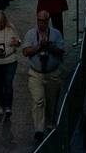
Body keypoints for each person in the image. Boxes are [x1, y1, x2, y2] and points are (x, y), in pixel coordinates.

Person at [22, 10, 65, 142]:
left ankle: (50, 123)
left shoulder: (56, 34)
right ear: (37, 21)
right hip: (36, 74)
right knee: (38, 100)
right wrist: (39, 47)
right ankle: (39, 130)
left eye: (44, 21)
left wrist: (50, 46)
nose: (42, 23)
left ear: (48, 21)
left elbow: (61, 51)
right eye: (40, 21)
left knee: (52, 102)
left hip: (52, 73)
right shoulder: (30, 34)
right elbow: (25, 51)